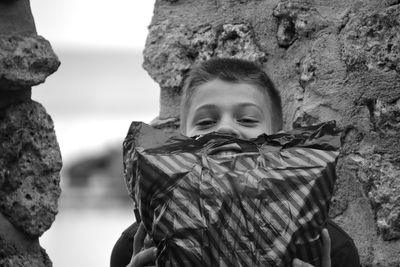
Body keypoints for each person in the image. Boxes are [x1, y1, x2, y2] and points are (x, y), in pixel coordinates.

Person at [111, 58, 360, 267]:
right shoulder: (136, 247)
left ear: (278, 140)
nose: (226, 129)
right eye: (206, 122)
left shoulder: (333, 249)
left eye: (248, 119)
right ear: (181, 140)